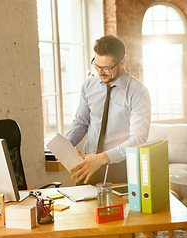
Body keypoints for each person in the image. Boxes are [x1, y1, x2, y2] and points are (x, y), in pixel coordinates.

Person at [65, 35, 151, 185]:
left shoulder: (138, 92)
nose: (99, 73)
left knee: (120, 208)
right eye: (96, 66)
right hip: (87, 163)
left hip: (121, 167)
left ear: (122, 63)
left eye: (105, 68)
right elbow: (81, 122)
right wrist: (65, 145)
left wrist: (103, 158)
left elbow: (139, 139)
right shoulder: (88, 86)